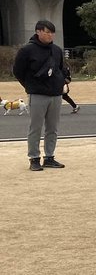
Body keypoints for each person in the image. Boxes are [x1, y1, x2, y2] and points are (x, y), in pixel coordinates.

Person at [12, 19, 69, 171]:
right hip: (37, 94)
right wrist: (30, 86)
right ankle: (34, 158)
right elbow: (18, 71)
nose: (51, 35)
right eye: (47, 32)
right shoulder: (27, 50)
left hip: (56, 95)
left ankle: (49, 157)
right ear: (38, 32)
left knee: (53, 128)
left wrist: (62, 82)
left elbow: (61, 68)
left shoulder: (56, 50)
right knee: (35, 128)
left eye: (52, 32)